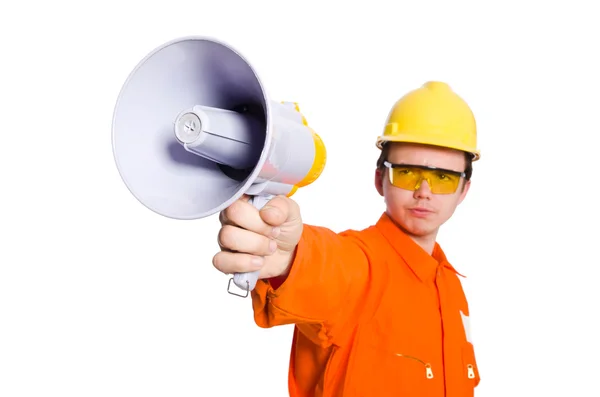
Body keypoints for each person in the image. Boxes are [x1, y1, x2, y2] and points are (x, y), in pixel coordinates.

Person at [213, 81, 482, 397]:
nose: (424, 191)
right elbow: (326, 266)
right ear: (380, 179)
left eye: (443, 178)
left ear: (464, 191)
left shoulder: (451, 287)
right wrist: (286, 256)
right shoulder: (361, 266)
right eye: (408, 173)